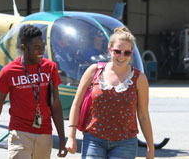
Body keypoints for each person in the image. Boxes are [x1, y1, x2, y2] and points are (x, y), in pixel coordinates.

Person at [65, 27, 154, 159]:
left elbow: (143, 115)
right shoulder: (94, 71)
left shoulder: (139, 78)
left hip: (125, 143)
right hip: (94, 140)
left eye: (127, 53)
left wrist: (150, 148)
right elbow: (76, 104)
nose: (121, 56)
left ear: (132, 52)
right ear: (110, 49)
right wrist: (71, 137)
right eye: (117, 51)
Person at [0, 25, 67, 159]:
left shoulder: (50, 68)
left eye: (42, 46)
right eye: (37, 48)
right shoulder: (9, 72)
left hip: (45, 134)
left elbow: (55, 104)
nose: (41, 51)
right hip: (19, 133)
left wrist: (62, 139)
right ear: (24, 48)